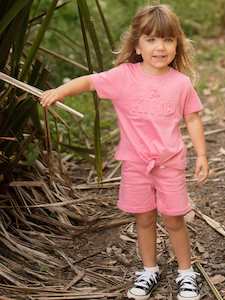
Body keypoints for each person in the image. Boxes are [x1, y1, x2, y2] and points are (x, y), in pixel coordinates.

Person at [41, 4, 209, 300]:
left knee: (174, 219)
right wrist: (60, 91)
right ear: (138, 44)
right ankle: (149, 270)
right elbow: (90, 81)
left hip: (169, 164)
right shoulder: (123, 76)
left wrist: (203, 156)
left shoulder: (180, 83)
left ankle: (186, 273)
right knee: (143, 219)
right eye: (152, 39)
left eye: (168, 40)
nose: (161, 47)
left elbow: (193, 118)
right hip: (135, 166)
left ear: (177, 44)